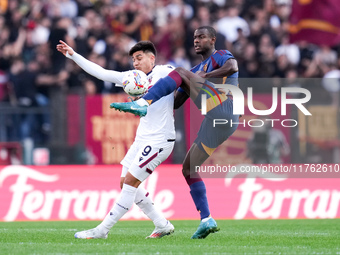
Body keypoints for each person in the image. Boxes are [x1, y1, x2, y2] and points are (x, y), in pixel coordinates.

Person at [111, 26, 239, 239]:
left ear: (213, 39)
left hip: (225, 108)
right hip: (215, 121)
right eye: (195, 37)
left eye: (202, 37)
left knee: (179, 72)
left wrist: (203, 76)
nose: (196, 40)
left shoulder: (220, 56)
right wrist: (154, 100)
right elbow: (177, 102)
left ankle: (144, 102)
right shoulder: (197, 68)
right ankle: (206, 219)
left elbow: (232, 66)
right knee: (189, 168)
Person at [56, 40, 175, 239]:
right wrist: (73, 55)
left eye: (139, 58)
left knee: (130, 183)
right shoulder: (132, 78)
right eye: (133, 59)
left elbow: (190, 79)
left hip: (160, 139)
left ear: (152, 58)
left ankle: (102, 230)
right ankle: (162, 224)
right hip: (142, 139)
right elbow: (101, 73)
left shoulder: (166, 72)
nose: (135, 63)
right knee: (124, 183)